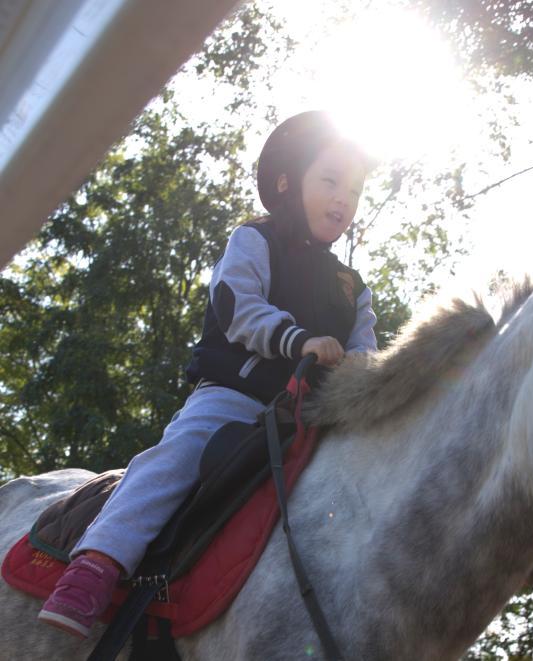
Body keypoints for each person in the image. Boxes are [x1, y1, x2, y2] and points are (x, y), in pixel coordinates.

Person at [37, 111, 379, 638]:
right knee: (181, 454)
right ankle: (96, 564)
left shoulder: (353, 287)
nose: (343, 199)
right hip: (236, 397)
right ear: (287, 182)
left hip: (309, 418)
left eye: (353, 191)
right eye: (330, 181)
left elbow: (365, 353)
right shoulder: (255, 240)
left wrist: (365, 377)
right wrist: (297, 341)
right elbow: (236, 304)